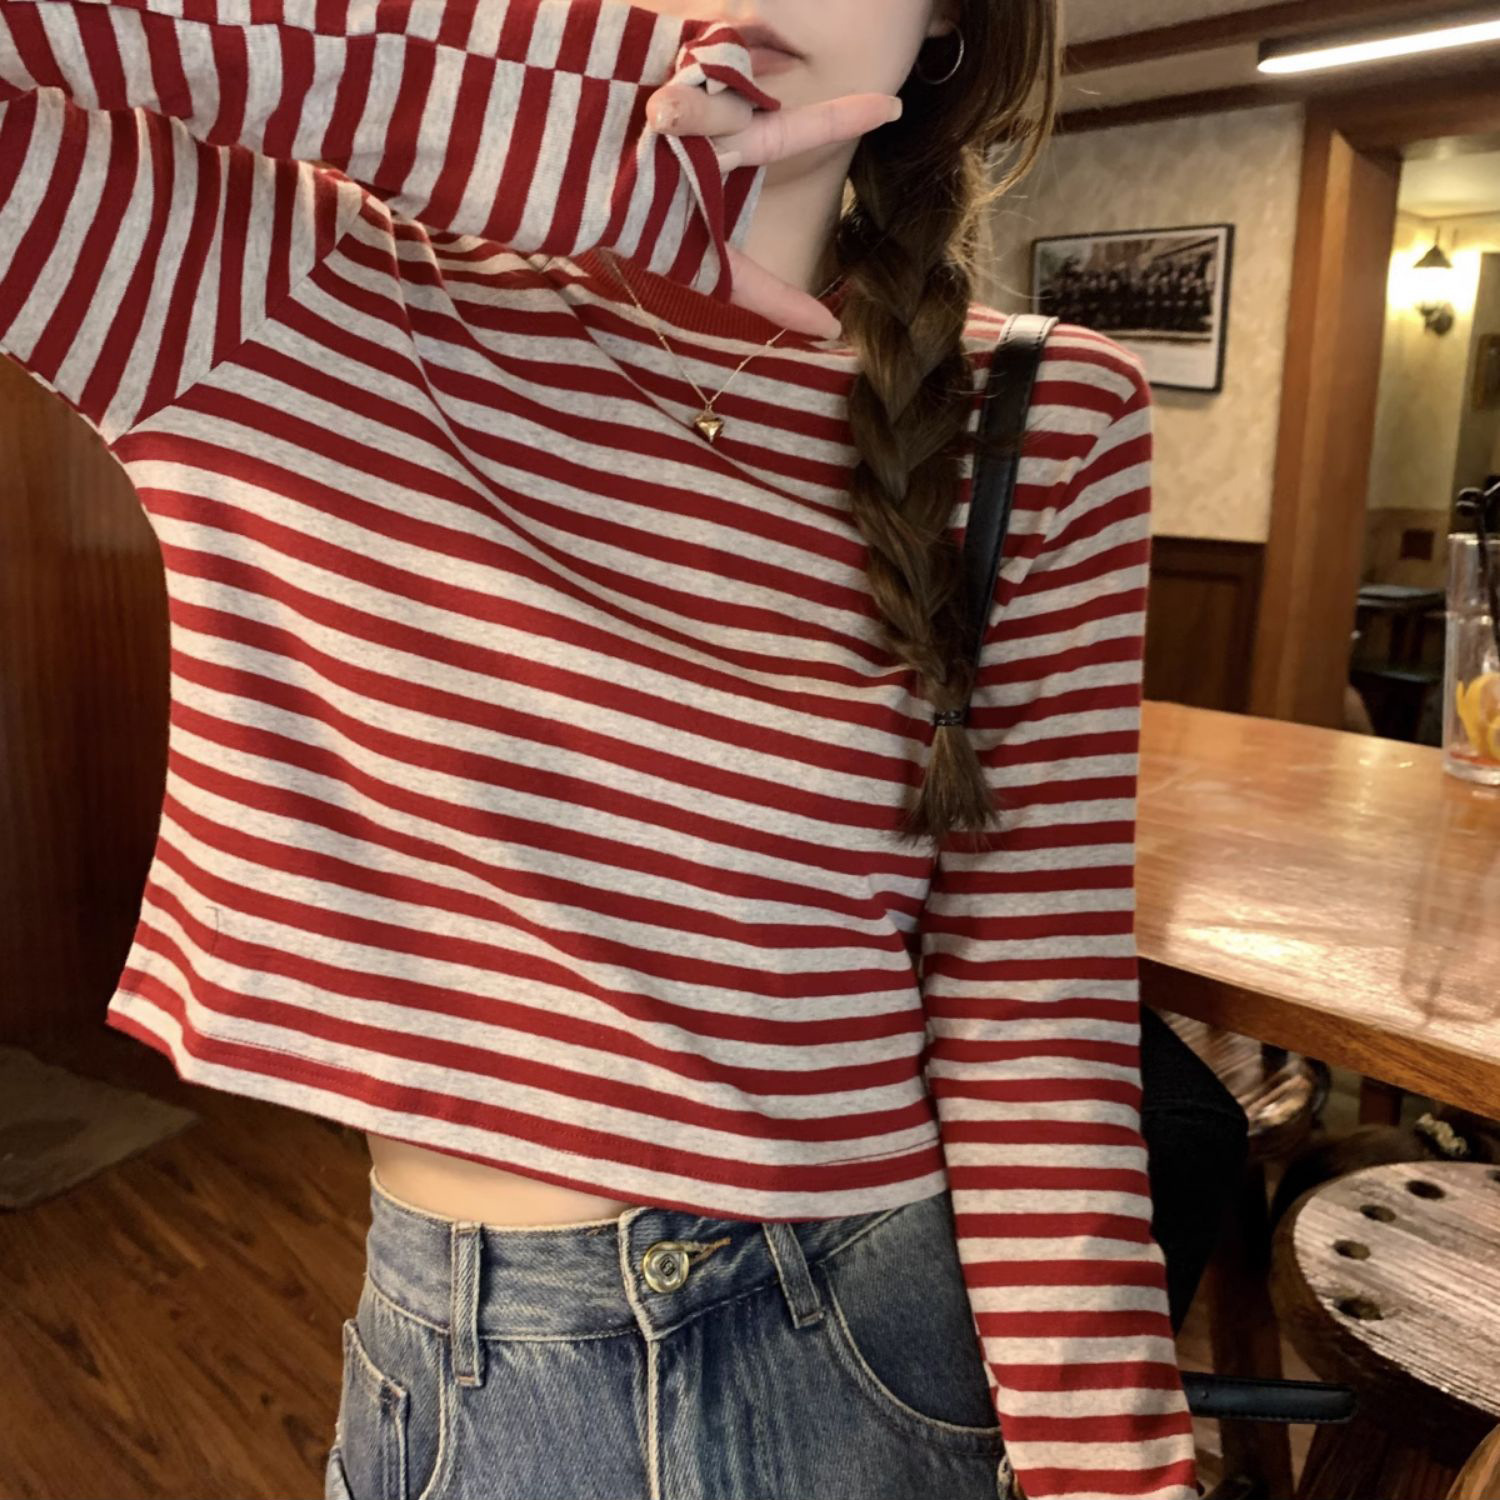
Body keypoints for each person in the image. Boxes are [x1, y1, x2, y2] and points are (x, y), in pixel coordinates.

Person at [0, 1, 1203, 1497]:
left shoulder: (1049, 411)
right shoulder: (294, 287)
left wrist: (1114, 1473)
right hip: (464, 1346)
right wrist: (569, 139)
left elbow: (1028, 1004)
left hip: (864, 1345)